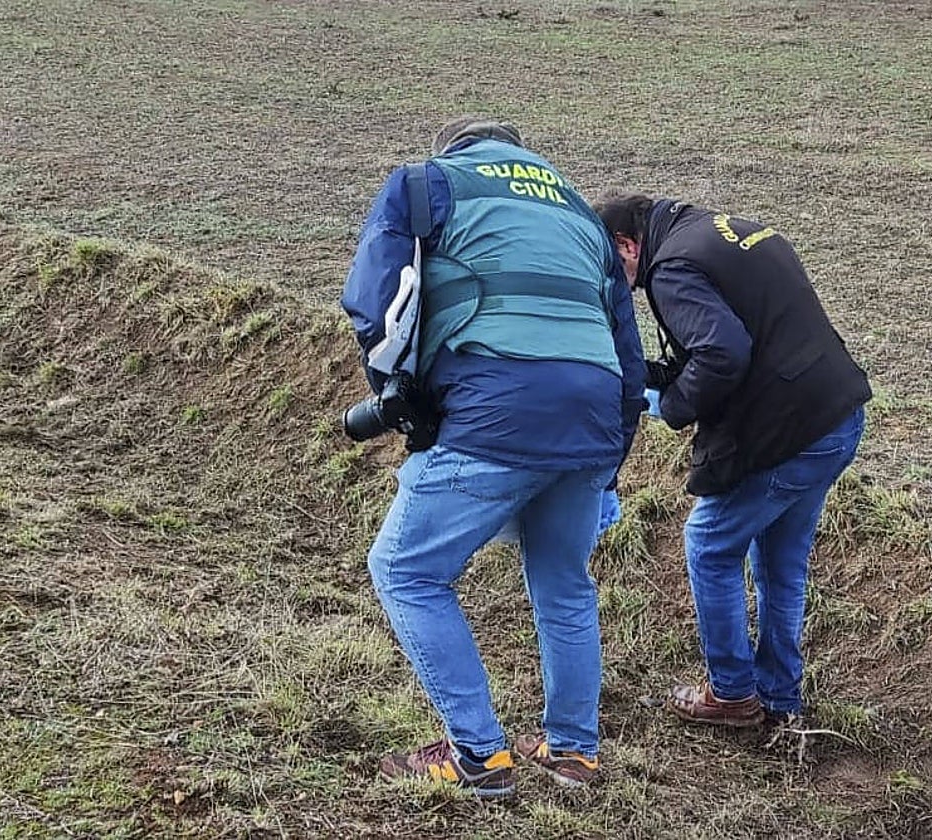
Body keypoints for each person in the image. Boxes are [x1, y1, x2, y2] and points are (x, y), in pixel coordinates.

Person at [341, 118, 646, 797]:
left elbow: (376, 304)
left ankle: (477, 754)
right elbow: (628, 354)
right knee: (564, 581)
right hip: (594, 414)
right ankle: (573, 753)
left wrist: (398, 394)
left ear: (457, 147)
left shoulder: (425, 183)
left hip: (496, 407)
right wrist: (607, 463)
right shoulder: (575, 207)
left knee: (405, 569)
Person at [593, 192, 871, 729]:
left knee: (710, 545)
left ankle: (731, 694)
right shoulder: (722, 231)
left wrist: (673, 406)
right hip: (835, 417)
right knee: (779, 564)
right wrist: (653, 374)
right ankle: (780, 698)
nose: (615, 283)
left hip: (788, 433)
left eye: (610, 265)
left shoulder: (672, 270)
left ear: (628, 244)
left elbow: (723, 352)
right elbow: (741, 338)